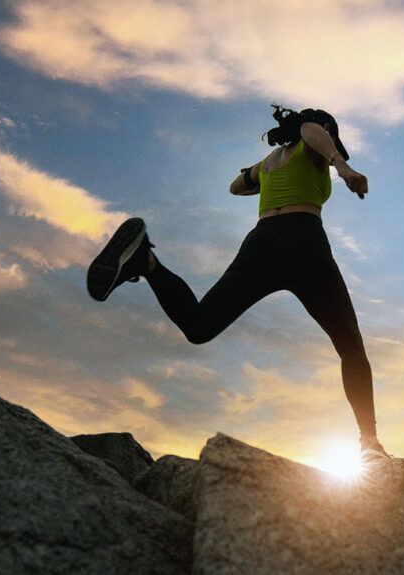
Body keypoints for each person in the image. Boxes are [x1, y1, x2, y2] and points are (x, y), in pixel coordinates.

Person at [86, 105, 388, 461]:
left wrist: (258, 175)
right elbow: (310, 128)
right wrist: (342, 164)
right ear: (323, 129)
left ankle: (146, 263)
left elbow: (235, 187)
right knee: (350, 347)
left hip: (261, 243)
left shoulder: (271, 161)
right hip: (303, 243)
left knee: (200, 325)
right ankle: (370, 443)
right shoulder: (314, 143)